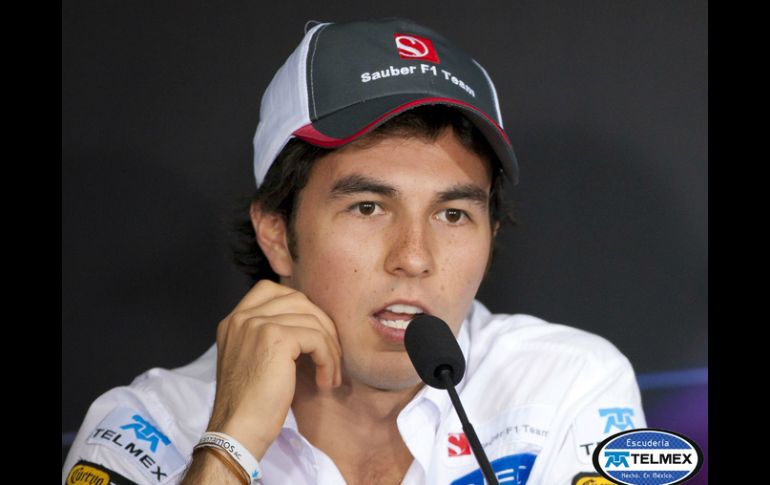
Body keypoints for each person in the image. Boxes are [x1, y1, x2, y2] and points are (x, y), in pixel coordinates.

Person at [62, 17, 645, 485]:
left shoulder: (569, 385)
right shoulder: (143, 429)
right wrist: (229, 447)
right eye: (368, 207)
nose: (414, 257)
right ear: (276, 234)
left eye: (452, 214)